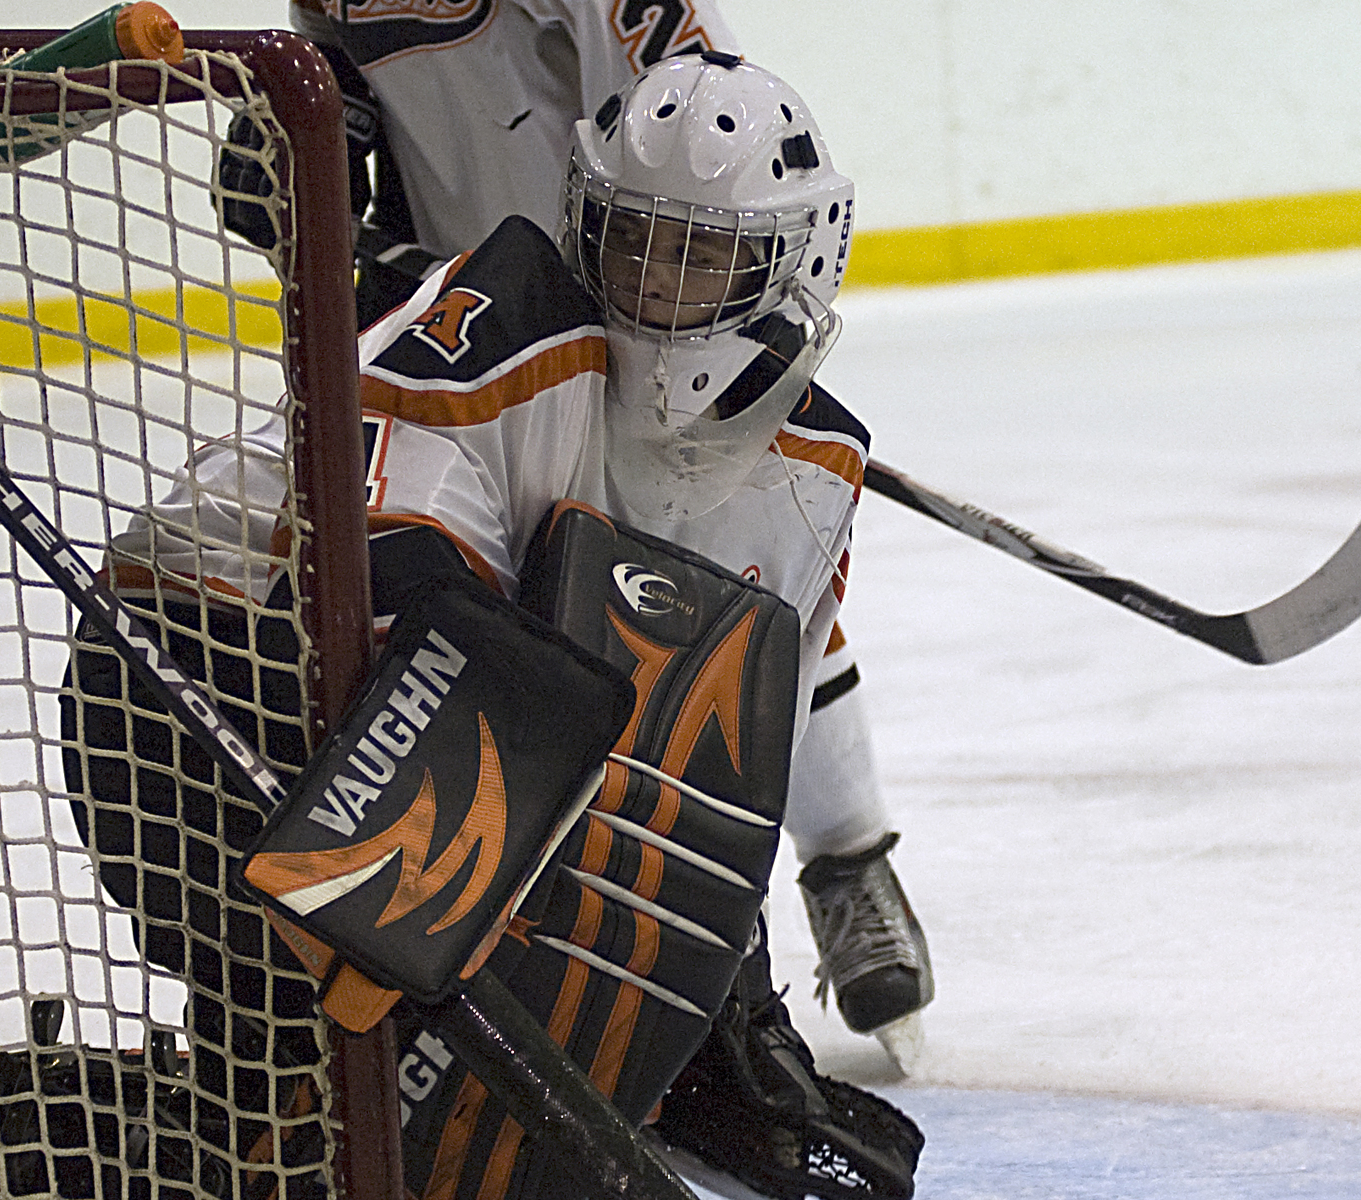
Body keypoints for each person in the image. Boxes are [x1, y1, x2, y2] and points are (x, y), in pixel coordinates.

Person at [139, 49, 925, 1199]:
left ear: (790, 261)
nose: (657, 283)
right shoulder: (503, 330)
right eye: (633, 240)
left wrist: (713, 996)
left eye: (703, 257)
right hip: (191, 680)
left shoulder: (813, 468)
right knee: (335, 1105)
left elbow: (716, 766)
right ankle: (97, 1119)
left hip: (385, 737)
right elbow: (402, 637)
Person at [285, 0, 937, 1068]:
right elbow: (359, 93)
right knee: (472, 616)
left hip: (639, 280)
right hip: (508, 302)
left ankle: (846, 856)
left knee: (723, 578)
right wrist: (321, 152)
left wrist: (673, 303)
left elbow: (694, 128)